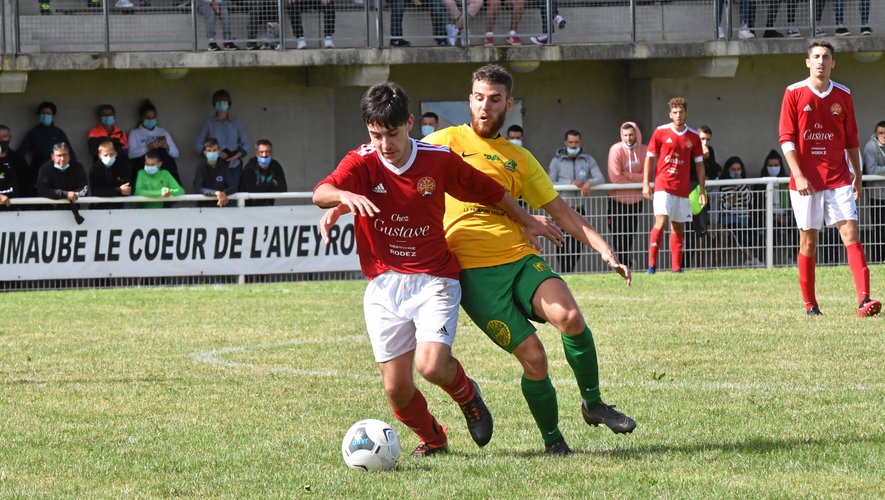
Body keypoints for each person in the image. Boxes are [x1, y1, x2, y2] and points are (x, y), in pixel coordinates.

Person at [314, 82, 555, 457]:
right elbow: (321, 192)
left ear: (409, 123)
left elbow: (489, 191)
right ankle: (434, 438)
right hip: (384, 283)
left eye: (392, 134)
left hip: (435, 279)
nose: (384, 144)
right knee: (395, 388)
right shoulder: (362, 160)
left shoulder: (437, 160)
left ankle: (468, 395)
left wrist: (527, 220)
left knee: (431, 365)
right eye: (376, 135)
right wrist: (343, 196)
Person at [425, 64, 635, 456]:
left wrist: (603, 249)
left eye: (494, 99)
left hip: (519, 257)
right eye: (478, 98)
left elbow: (562, 212)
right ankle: (553, 441)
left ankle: (593, 403)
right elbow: (397, 164)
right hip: (475, 276)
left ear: (508, 105)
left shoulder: (519, 158)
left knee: (570, 317)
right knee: (535, 357)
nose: (485, 106)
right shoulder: (442, 142)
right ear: (469, 99)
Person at [778, 41, 879, 317]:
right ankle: (810, 305)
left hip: (838, 178)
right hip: (806, 183)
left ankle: (864, 300)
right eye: (816, 56)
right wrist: (798, 174)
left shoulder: (844, 95)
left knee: (850, 234)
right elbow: (786, 138)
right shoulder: (793, 93)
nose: (821, 61)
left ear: (833, 63)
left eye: (826, 57)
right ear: (807, 62)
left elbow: (851, 140)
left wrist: (857, 175)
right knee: (808, 241)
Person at [642, 97, 706, 274]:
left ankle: (676, 268)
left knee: (678, 226)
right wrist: (646, 183)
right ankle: (651, 266)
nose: (678, 115)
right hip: (663, 185)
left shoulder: (693, 136)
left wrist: (702, 189)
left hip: (683, 189)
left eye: (681, 112)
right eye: (675, 112)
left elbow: (700, 164)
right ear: (670, 114)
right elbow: (649, 158)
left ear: (686, 113)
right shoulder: (660, 132)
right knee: (661, 221)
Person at [547, 129, 606, 273]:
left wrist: (589, 183)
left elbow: (600, 178)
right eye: (571, 142)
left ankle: (571, 271)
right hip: (560, 208)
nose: (573, 145)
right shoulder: (557, 161)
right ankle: (565, 272)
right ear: (565, 142)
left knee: (578, 243)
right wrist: (569, 182)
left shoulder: (587, 159)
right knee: (561, 243)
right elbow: (549, 182)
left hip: (579, 208)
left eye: (576, 142)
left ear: (580, 142)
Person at [607, 121, 647, 268]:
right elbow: (615, 178)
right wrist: (637, 179)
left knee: (629, 236)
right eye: (625, 135)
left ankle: (625, 264)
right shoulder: (616, 150)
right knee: (617, 237)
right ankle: (624, 264)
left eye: (631, 135)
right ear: (621, 135)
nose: (628, 138)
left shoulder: (644, 151)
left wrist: (626, 175)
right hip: (617, 201)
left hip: (636, 201)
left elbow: (647, 176)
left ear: (636, 134)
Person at [194, 89, 249, 191]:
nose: (221, 104)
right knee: (216, 193)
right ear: (214, 104)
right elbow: (198, 145)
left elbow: (246, 145)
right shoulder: (209, 123)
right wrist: (214, 153)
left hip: (234, 165)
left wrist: (234, 157)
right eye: (218, 102)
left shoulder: (236, 122)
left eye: (224, 101)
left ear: (229, 103)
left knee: (233, 193)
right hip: (214, 166)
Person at [18, 102, 76, 197]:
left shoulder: (59, 133)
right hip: (37, 171)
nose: (45, 116)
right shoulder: (34, 132)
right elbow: (20, 152)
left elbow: (70, 154)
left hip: (58, 171)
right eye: (43, 113)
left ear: (53, 115)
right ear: (39, 115)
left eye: (48, 113)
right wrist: (26, 171)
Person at [684, 125, 721, 269]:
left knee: (701, 231)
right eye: (702, 139)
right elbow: (689, 172)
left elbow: (713, 172)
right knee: (686, 233)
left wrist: (707, 159)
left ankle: (700, 267)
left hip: (701, 196)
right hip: (687, 195)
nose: (705, 142)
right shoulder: (689, 148)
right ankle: (684, 266)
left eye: (708, 139)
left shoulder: (710, 151)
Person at [717, 156, 763, 267]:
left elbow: (748, 200)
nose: (736, 172)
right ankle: (752, 259)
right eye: (733, 169)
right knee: (737, 231)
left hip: (745, 218)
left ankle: (754, 259)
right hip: (729, 219)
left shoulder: (745, 185)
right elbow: (723, 207)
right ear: (728, 170)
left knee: (753, 232)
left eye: (738, 169)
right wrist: (732, 200)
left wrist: (740, 184)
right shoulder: (723, 186)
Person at [128, 99, 182, 185]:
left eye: (153, 118)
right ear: (142, 118)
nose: (150, 120)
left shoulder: (162, 132)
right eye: (147, 118)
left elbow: (176, 154)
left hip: (162, 166)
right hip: (144, 166)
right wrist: (148, 147)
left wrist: (167, 147)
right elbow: (130, 154)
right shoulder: (135, 133)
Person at [35, 142, 88, 223]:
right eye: (59, 155)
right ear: (52, 156)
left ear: (69, 155)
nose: (62, 159)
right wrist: (65, 194)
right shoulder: (45, 169)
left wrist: (74, 194)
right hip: (50, 214)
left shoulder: (77, 167)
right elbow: (42, 191)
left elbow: (84, 189)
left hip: (73, 212)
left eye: (65, 155)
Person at [862, 121, 885, 262]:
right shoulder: (871, 147)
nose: (883, 136)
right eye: (881, 133)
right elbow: (872, 169)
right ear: (876, 134)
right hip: (877, 196)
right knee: (879, 230)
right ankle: (879, 260)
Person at [239, 139, 287, 206]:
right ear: (257, 154)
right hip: (251, 208)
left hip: (269, 206)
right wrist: (272, 184)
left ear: (271, 153)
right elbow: (251, 192)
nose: (264, 155)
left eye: (267, 152)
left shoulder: (275, 165)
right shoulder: (250, 167)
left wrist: (260, 188)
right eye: (261, 152)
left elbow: (283, 189)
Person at [88, 140, 131, 209]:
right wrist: (118, 190)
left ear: (116, 153)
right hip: (99, 208)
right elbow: (96, 191)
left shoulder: (121, 166)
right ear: (99, 155)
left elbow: (127, 188)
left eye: (111, 155)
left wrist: (113, 191)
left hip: (118, 207)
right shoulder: (94, 169)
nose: (109, 158)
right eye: (105, 155)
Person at [194, 137, 236, 208]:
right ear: (204, 152)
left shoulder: (223, 165)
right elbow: (198, 188)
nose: (212, 153)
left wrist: (223, 193)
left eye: (214, 150)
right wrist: (216, 193)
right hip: (204, 206)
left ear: (219, 151)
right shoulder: (200, 166)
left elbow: (233, 186)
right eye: (209, 151)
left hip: (222, 205)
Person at [0, 125, 27, 203]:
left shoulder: (18, 159)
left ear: (10, 138)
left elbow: (25, 182)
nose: (1, 139)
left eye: (4, 136)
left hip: (14, 204)